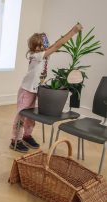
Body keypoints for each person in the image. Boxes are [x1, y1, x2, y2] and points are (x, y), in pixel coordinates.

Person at [10, 23, 83, 153]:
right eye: (39, 45)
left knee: (31, 117)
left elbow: (56, 44)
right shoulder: (36, 55)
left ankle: (26, 135)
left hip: (35, 91)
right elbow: (56, 45)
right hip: (26, 91)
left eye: (44, 44)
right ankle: (15, 140)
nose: (43, 47)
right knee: (21, 116)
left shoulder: (45, 55)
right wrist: (73, 31)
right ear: (34, 47)